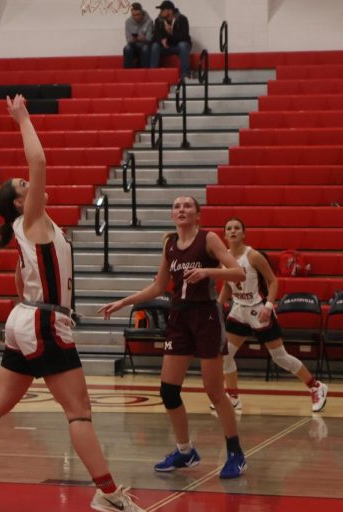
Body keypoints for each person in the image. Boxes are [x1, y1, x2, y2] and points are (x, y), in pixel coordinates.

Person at [0, 95, 148, 512]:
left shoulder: (33, 228)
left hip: (26, 317)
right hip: (43, 319)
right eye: (21, 187)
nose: (27, 184)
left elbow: (17, 280)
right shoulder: (30, 220)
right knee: (79, 412)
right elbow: (40, 163)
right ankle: (107, 491)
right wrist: (22, 118)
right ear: (16, 203)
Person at [99, 195, 247, 479]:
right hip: (179, 317)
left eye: (187, 206)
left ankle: (235, 452)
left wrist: (207, 272)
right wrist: (123, 302)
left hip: (205, 317)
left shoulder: (209, 239)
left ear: (198, 215)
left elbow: (238, 273)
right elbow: (157, 287)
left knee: (215, 391)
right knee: (168, 390)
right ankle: (185, 450)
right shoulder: (169, 245)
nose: (182, 209)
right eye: (177, 206)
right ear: (172, 215)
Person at [217, 218, 328, 413]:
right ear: (224, 235)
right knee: (225, 355)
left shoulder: (253, 256)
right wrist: (217, 307)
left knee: (279, 357)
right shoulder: (223, 257)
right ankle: (233, 397)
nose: (233, 231)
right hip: (238, 309)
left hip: (259, 308)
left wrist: (269, 305)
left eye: (237, 228)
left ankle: (316, 386)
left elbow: (273, 281)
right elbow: (227, 285)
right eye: (229, 229)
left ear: (244, 233)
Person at [149, 0, 192, 79]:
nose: (160, 12)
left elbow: (185, 37)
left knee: (183, 45)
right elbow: (155, 36)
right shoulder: (158, 20)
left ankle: (185, 74)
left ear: (170, 11)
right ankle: (153, 74)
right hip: (165, 47)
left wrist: (172, 33)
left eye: (162, 10)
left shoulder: (182, 19)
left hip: (177, 46)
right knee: (155, 45)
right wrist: (161, 40)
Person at [123, 2, 154, 69]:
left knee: (145, 48)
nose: (136, 17)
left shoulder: (149, 21)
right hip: (133, 44)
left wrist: (143, 39)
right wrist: (134, 39)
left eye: (138, 15)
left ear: (142, 13)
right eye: (134, 15)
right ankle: (127, 72)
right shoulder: (128, 22)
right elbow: (128, 39)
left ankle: (145, 72)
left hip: (145, 44)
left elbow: (150, 38)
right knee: (127, 48)